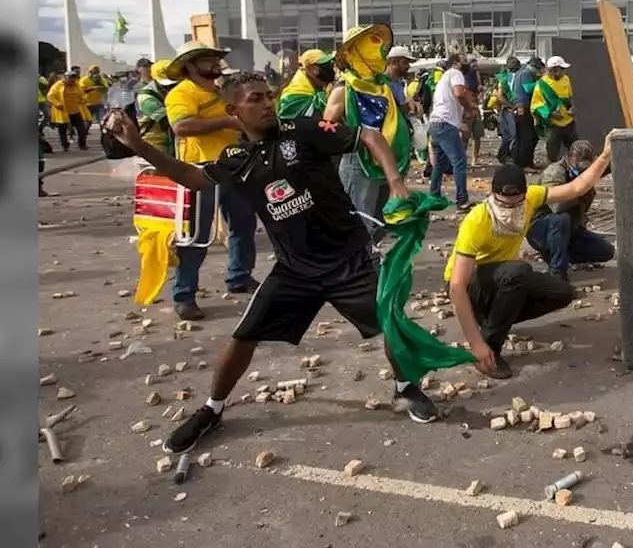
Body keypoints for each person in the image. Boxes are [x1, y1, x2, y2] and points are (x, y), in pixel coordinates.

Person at [104, 72, 441, 455]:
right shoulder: (235, 157)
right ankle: (212, 410)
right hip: (295, 269)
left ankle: (405, 388)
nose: (267, 104)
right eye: (255, 99)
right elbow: (189, 176)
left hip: (350, 259)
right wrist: (135, 144)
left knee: (391, 325)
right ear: (233, 111)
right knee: (242, 337)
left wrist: (395, 180)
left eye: (268, 96)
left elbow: (368, 135)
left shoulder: (305, 129)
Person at [446, 141, 614, 379]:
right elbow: (456, 286)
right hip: (471, 286)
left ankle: (493, 320)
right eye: (503, 202)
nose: (509, 208)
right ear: (493, 195)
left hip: (502, 278)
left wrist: (606, 154)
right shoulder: (477, 220)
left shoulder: (532, 199)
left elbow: (578, 187)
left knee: (562, 292)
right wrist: (476, 344)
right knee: (519, 271)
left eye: (516, 202)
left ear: (525, 195)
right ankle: (490, 347)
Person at [164, 41, 261, 319]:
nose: (215, 63)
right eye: (208, 59)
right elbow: (181, 126)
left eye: (215, 58)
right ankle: (184, 294)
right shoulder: (181, 93)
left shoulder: (220, 92)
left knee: (243, 222)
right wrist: (226, 123)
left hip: (232, 165)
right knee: (196, 235)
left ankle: (239, 276)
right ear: (191, 66)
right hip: (200, 170)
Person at [324, 24, 414, 246]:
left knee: (381, 219)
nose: (378, 53)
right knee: (358, 219)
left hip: (386, 161)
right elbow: (326, 127)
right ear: (354, 53)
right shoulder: (344, 88)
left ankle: (367, 256)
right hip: (358, 161)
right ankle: (357, 266)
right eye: (370, 47)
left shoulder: (382, 87)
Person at [526, 141, 615, 281]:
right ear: (570, 159)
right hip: (542, 227)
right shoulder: (555, 172)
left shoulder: (585, 171)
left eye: (587, 168)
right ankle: (557, 273)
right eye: (580, 167)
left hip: (570, 229)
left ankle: (560, 253)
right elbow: (557, 207)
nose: (583, 171)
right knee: (562, 219)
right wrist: (580, 188)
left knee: (605, 252)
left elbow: (606, 166)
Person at [426, 53, 473, 209]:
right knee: (459, 162)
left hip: (436, 123)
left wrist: (459, 124)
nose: (468, 64)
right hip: (445, 125)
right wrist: (469, 108)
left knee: (439, 164)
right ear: (456, 63)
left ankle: (434, 196)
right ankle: (462, 200)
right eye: (465, 61)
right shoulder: (455, 73)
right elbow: (459, 94)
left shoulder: (444, 78)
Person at [530, 55, 577, 163]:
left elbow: (569, 97)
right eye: (562, 69)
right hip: (553, 124)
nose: (564, 71)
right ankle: (552, 170)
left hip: (568, 121)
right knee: (552, 150)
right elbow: (536, 106)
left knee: (575, 147)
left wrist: (573, 108)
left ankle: (576, 169)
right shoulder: (542, 85)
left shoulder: (566, 79)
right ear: (554, 70)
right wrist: (551, 114)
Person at [135, 59, 178, 157]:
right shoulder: (146, 97)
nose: (171, 88)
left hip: (172, 140)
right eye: (166, 85)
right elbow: (168, 121)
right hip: (155, 143)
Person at [276, 49, 335, 120]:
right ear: (311, 70)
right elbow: (309, 118)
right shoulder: (295, 92)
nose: (331, 69)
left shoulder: (315, 85)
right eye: (326, 66)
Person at [510, 56, 542, 170]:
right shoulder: (526, 74)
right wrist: (540, 81)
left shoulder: (520, 73)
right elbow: (528, 89)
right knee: (528, 137)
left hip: (520, 106)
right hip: (525, 107)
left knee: (523, 136)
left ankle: (522, 162)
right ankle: (524, 163)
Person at [48, 72, 89, 151]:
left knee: (81, 129)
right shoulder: (58, 85)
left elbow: (81, 95)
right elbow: (50, 96)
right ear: (65, 78)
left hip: (75, 110)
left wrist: (83, 100)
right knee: (62, 130)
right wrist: (57, 104)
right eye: (70, 78)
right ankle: (65, 145)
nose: (72, 80)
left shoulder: (76, 85)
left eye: (74, 78)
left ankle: (82, 145)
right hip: (63, 111)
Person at [494, 57, 518, 163]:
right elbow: (500, 96)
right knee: (510, 134)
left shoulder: (511, 77)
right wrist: (511, 106)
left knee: (509, 135)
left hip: (508, 109)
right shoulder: (504, 79)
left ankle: (503, 155)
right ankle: (504, 155)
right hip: (507, 110)